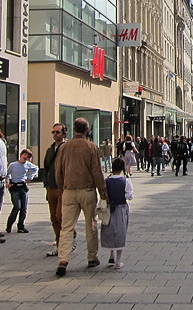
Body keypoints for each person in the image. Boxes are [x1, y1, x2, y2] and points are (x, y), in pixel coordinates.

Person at [54, 118, 108, 277]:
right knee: (90, 225)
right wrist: (103, 192)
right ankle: (92, 257)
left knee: (67, 227)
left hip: (69, 190)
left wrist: (61, 188)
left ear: (74, 130)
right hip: (87, 190)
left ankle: (63, 259)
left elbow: (58, 171)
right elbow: (97, 172)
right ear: (87, 130)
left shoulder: (65, 147)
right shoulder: (91, 147)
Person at [43, 123, 70, 257]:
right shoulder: (50, 150)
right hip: (51, 187)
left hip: (62, 187)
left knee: (60, 216)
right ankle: (60, 244)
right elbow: (46, 167)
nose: (55, 134)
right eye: (53, 132)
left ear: (64, 134)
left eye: (57, 132)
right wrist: (46, 184)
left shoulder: (67, 148)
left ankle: (67, 240)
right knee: (53, 217)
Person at [101, 158, 133, 269]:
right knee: (120, 232)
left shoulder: (107, 181)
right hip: (121, 208)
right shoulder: (125, 181)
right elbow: (129, 195)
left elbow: (103, 194)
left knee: (110, 231)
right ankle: (118, 261)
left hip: (109, 209)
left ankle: (111, 255)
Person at [6, 149, 39, 234]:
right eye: (25, 155)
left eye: (28, 157)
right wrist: (8, 182)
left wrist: (30, 177)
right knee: (17, 207)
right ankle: (9, 224)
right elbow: (7, 173)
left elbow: (36, 168)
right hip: (15, 186)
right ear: (21, 155)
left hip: (23, 186)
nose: (26, 158)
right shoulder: (13, 165)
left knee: (23, 208)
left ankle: (21, 226)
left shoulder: (28, 165)